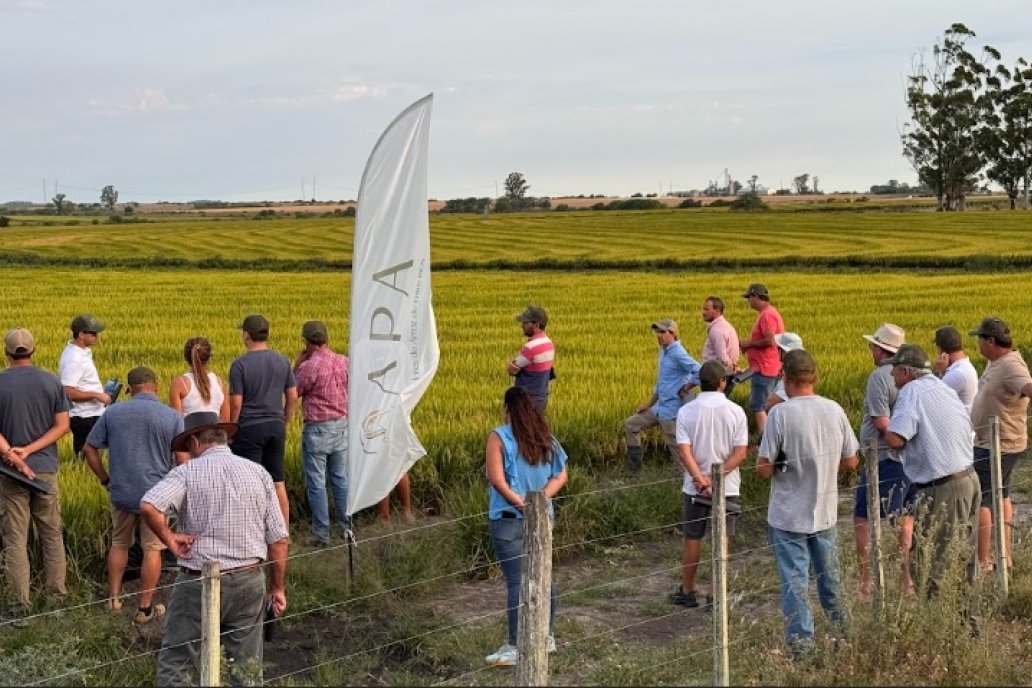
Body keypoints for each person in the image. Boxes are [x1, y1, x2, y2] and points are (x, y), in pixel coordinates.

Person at [141, 411, 289, 686]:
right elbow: (279, 539)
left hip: (198, 580)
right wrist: (277, 588)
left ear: (196, 441)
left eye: (188, 447)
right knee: (246, 668)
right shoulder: (258, 472)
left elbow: (150, 505)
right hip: (249, 577)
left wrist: (169, 538)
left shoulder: (187, 472)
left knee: (178, 662)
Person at [757, 349, 858, 658]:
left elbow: (763, 469)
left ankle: (802, 648)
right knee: (831, 579)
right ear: (814, 377)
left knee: (795, 581)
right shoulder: (834, 409)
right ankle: (843, 634)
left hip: (788, 513)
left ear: (785, 378)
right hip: (824, 511)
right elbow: (852, 461)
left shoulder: (780, 414)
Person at [83, 366, 184, 623]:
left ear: (129, 389)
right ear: (157, 386)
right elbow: (182, 460)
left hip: (122, 492)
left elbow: (89, 449)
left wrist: (106, 479)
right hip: (157, 498)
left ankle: (114, 600)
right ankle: (144, 608)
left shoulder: (113, 413)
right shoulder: (171, 416)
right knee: (152, 550)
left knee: (119, 543)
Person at [884, 344, 979, 596]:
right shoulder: (941, 386)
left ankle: (939, 625)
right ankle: (968, 626)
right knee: (962, 559)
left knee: (931, 563)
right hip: (968, 477)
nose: (892, 375)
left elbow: (896, 438)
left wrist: (883, 431)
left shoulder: (911, 391)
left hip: (943, 487)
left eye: (894, 370)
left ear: (906, 371)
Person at [484, 387, 568, 667]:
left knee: (516, 580)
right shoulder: (545, 437)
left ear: (508, 410)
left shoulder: (499, 437)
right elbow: (561, 474)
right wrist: (541, 500)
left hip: (508, 518)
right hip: (544, 516)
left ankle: (515, 646)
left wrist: (521, 505)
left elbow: (497, 480)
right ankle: (547, 637)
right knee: (544, 574)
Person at [0, 328, 70, 619]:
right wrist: (29, 451)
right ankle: (57, 601)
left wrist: (13, 455)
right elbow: (62, 426)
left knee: (15, 538)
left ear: (6, 352)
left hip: (8, 473)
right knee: (51, 533)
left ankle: (19, 607)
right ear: (34, 350)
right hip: (45, 472)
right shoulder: (52, 381)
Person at [669, 360, 748, 608]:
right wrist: (717, 477)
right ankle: (715, 595)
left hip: (695, 488)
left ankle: (688, 590)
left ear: (700, 383)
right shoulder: (736, 411)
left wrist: (700, 480)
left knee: (692, 537)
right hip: (728, 486)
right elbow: (740, 453)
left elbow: (684, 451)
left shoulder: (686, 411)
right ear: (722, 382)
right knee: (721, 539)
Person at [854, 323, 914, 600]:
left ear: (880, 350)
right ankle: (906, 580)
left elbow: (881, 421)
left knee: (864, 518)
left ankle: (867, 583)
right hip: (904, 458)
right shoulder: (911, 376)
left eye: (872, 346)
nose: (870, 351)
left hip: (883, 456)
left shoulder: (879, 377)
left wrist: (895, 440)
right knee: (905, 516)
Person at [968, 316, 1032, 572]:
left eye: (980, 339)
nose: (978, 344)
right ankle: (1003, 556)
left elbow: (1028, 387)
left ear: (991, 341)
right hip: (990, 441)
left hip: (1000, 443)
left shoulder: (1011, 366)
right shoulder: (997, 362)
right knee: (1001, 494)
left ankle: (983, 562)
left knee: (982, 499)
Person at [229, 313, 298, 524]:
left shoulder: (239, 365)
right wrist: (285, 420)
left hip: (249, 428)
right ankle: (283, 532)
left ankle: (253, 530)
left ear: (247, 335)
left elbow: (236, 403)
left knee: (250, 482)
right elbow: (293, 396)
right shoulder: (282, 361)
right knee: (278, 481)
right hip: (276, 426)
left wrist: (232, 428)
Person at [294, 320, 351, 546]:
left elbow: (294, 391)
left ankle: (321, 534)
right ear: (327, 339)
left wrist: (296, 364)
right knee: (340, 479)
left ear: (306, 342)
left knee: (316, 483)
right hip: (341, 425)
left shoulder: (309, 367)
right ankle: (347, 528)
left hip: (318, 429)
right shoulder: (344, 361)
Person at [624, 318, 701, 475]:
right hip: (659, 408)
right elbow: (661, 383)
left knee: (680, 453)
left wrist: (688, 386)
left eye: (662, 332)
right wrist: (648, 404)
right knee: (631, 425)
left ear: (672, 333)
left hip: (672, 411)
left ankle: (691, 485)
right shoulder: (664, 352)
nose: (658, 335)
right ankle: (635, 472)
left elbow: (700, 370)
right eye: (657, 332)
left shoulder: (678, 353)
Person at [58, 313, 110, 457]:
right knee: (85, 456)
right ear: (81, 334)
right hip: (83, 417)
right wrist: (96, 395)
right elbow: (68, 392)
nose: (97, 336)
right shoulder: (74, 359)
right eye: (93, 333)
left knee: (95, 453)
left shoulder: (82, 352)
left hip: (93, 413)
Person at [740, 283, 785, 436]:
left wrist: (748, 343)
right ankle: (773, 439)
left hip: (765, 368)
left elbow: (769, 341)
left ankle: (765, 442)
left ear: (757, 297)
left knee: (759, 406)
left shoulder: (767, 315)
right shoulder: (768, 313)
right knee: (768, 406)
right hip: (767, 367)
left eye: (749, 298)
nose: (748, 301)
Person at [507, 304, 555, 411]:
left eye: (525, 322)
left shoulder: (531, 347)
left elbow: (512, 370)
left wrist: (510, 365)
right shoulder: (549, 343)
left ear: (536, 325)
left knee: (521, 427)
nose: (522, 325)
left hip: (526, 400)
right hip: (541, 398)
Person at [169, 337, 229, 421]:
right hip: (215, 433)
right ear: (209, 356)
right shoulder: (220, 383)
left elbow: (177, 422)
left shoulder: (179, 383)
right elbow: (225, 420)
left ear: (186, 357)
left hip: (190, 433)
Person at [933, 325, 978, 413]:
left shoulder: (957, 374)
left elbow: (935, 401)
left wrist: (940, 373)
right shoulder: (965, 366)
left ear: (941, 350)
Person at [764, 332, 804, 410]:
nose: (777, 351)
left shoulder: (792, 373)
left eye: (779, 348)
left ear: (785, 352)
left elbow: (771, 402)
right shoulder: (800, 368)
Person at [700, 296, 740, 370]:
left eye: (706, 309)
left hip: (715, 373)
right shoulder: (726, 325)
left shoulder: (717, 330)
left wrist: (732, 368)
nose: (703, 313)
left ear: (717, 310)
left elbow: (722, 356)